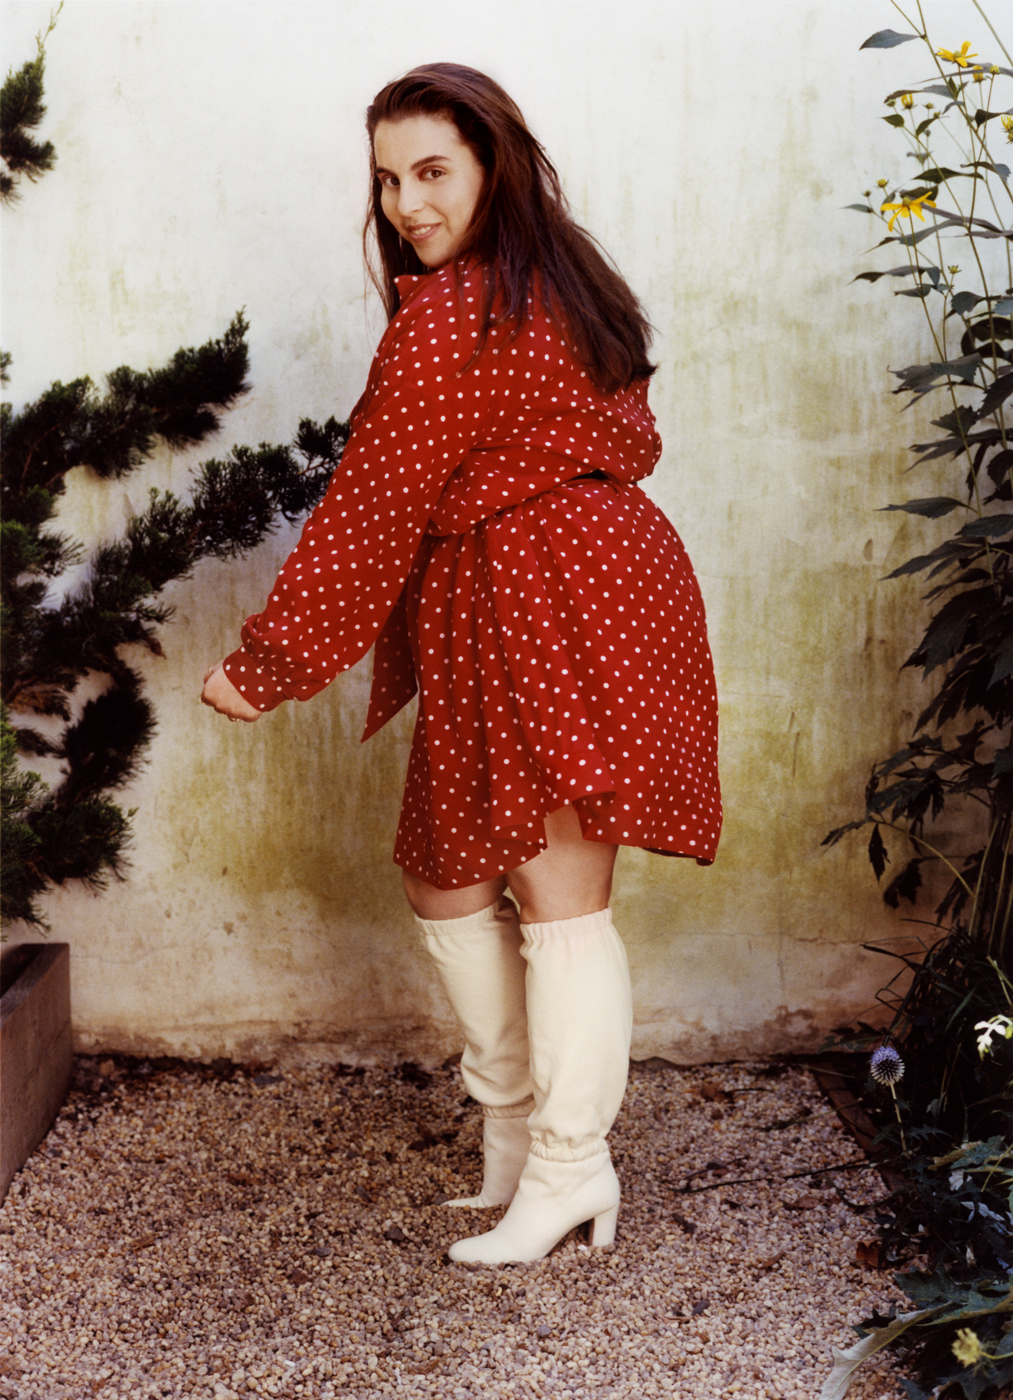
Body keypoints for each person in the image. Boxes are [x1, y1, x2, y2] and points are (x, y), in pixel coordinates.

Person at [201, 63, 721, 1265]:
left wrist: (270, 659)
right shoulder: (558, 288)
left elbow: (373, 503)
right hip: (564, 587)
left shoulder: (461, 311)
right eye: (387, 180)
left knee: (560, 904)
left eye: (431, 171)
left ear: (496, 164)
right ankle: (513, 1131)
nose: (404, 205)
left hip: (554, 596)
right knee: (445, 872)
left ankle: (570, 1166)